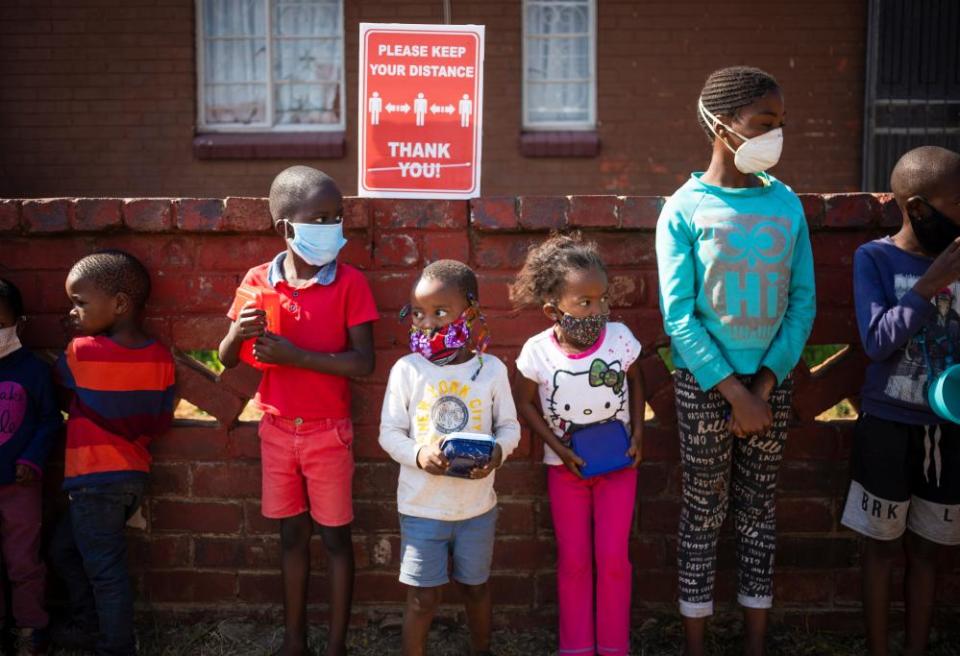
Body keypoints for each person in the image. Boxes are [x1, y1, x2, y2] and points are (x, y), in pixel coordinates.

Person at [655, 66, 815, 656]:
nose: (775, 135)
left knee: (758, 513)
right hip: (705, 387)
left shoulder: (787, 204)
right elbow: (678, 317)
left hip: (771, 383)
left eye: (780, 124)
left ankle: (756, 641)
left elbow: (802, 303)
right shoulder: (684, 207)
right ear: (722, 126)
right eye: (763, 124)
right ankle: (695, 642)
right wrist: (734, 392)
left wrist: (766, 383)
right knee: (703, 512)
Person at [218, 165, 378, 656]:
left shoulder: (350, 282)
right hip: (277, 429)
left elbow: (363, 362)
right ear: (285, 227)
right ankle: (293, 640)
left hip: (329, 433)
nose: (332, 227)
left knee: (335, 539)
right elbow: (226, 359)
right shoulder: (256, 281)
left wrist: (297, 356)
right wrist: (237, 334)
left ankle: (335, 646)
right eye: (320, 218)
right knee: (291, 535)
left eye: (337, 217)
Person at [840, 145, 960, 656]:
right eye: (957, 202)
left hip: (948, 430)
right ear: (917, 208)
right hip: (887, 425)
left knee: (931, 551)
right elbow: (876, 340)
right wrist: (930, 286)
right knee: (882, 548)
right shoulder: (876, 258)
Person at [379, 260, 521, 656]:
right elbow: (388, 433)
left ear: (470, 313)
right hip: (422, 508)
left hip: (476, 509)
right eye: (419, 313)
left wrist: (496, 452)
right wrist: (419, 453)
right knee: (422, 599)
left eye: (440, 313)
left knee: (476, 589)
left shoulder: (490, 369)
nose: (427, 323)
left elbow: (510, 427)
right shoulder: (407, 370)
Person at [512, 233, 645, 656]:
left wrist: (638, 433)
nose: (598, 310)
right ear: (554, 309)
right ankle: (576, 647)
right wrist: (559, 448)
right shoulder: (537, 351)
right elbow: (525, 404)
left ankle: (613, 646)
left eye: (602, 300)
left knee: (612, 560)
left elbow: (637, 381)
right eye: (584, 303)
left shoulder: (620, 338)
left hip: (618, 468)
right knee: (573, 562)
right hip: (565, 471)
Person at [50, 250, 176, 656]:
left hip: (92, 481)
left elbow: (61, 389)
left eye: (79, 303)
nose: (71, 312)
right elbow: (158, 423)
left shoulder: (82, 351)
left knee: (104, 570)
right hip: (130, 478)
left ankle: (115, 646)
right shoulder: (160, 357)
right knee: (64, 549)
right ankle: (89, 625)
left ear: (119, 304)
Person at [0, 278, 61, 655]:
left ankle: (30, 628)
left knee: (23, 560)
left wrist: (31, 459)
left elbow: (49, 420)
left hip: (20, 486)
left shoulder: (33, 371)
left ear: (18, 324)